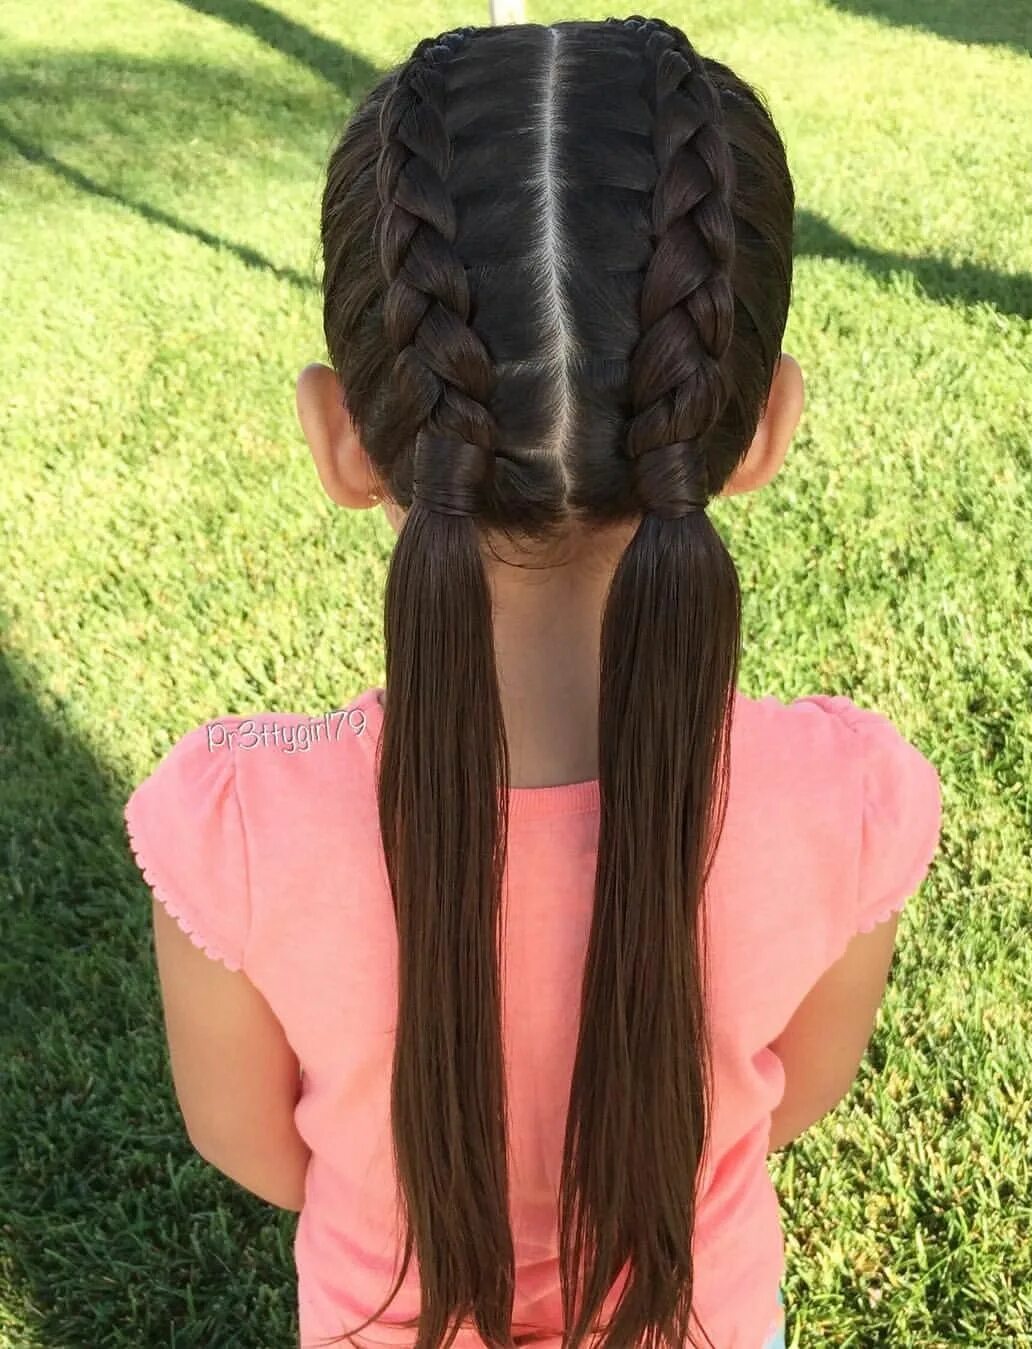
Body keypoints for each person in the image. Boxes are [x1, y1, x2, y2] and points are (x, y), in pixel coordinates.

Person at [124, 16, 943, 1349]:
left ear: (342, 440)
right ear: (763, 426)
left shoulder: (232, 826)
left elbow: (255, 1142)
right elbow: (797, 1089)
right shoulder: (851, 800)